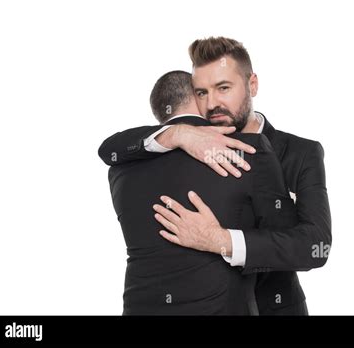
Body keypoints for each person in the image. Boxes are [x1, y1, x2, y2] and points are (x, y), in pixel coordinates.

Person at [99, 37, 331, 315]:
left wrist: (220, 240)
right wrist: (178, 133)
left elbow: (315, 245)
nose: (212, 104)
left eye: (223, 88)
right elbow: (109, 149)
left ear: (252, 85)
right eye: (201, 93)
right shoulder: (188, 145)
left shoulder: (300, 152)